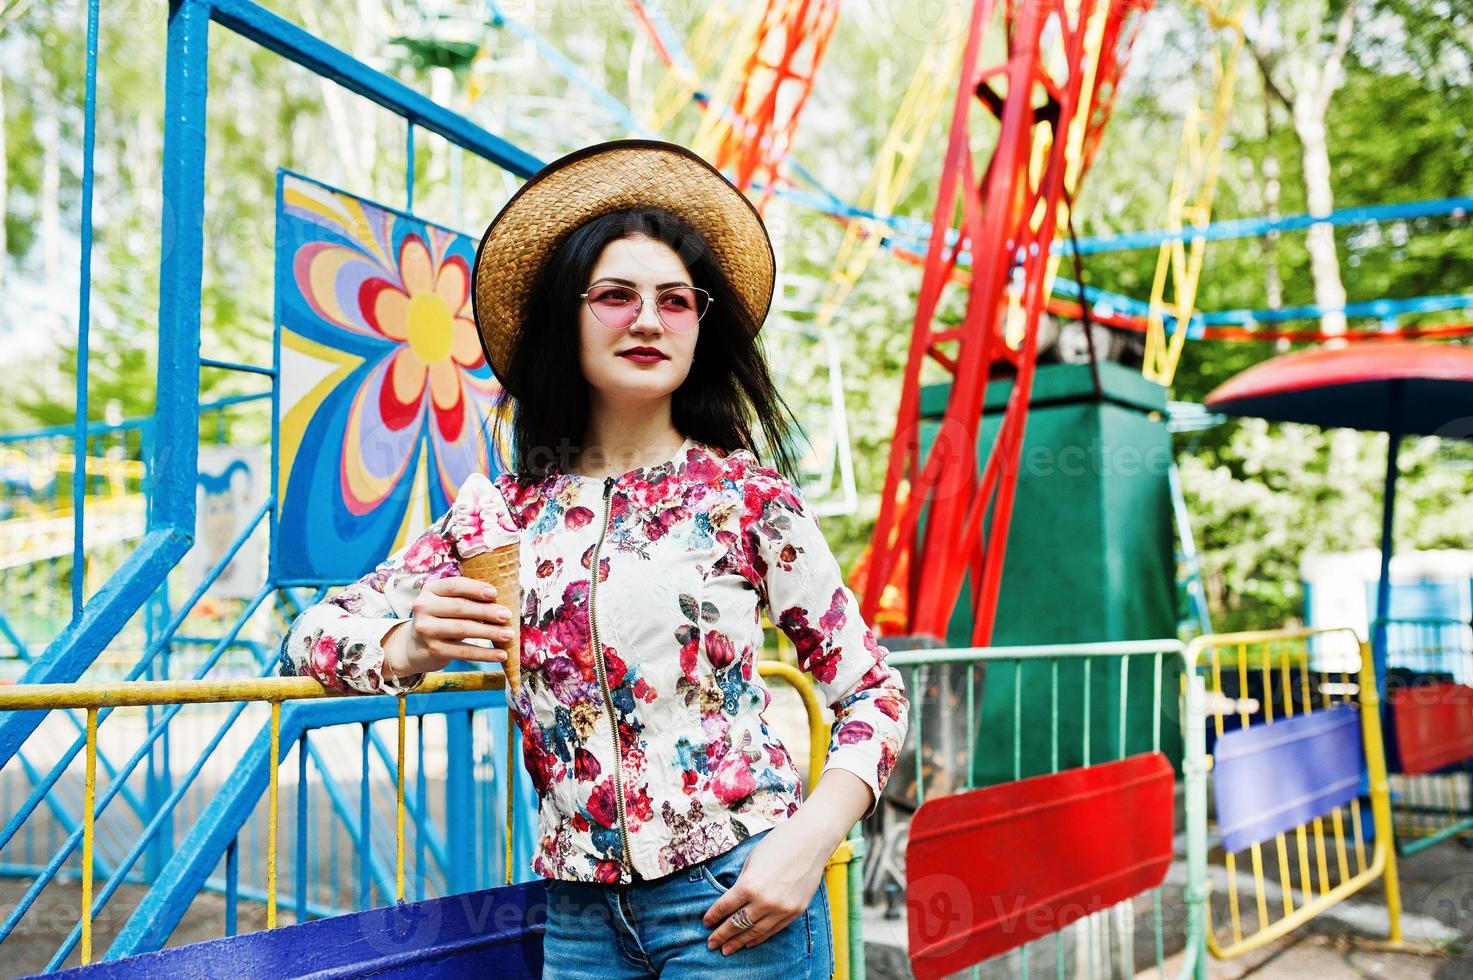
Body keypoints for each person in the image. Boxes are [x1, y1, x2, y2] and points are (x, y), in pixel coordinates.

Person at [280, 138, 910, 979]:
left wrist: (806, 843)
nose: (646, 319)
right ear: (566, 320)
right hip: (579, 921)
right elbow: (311, 633)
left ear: (699, 326)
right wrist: (406, 647)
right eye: (615, 295)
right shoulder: (500, 513)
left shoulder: (747, 497)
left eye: (674, 301)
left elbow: (869, 688)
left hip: (736, 900)